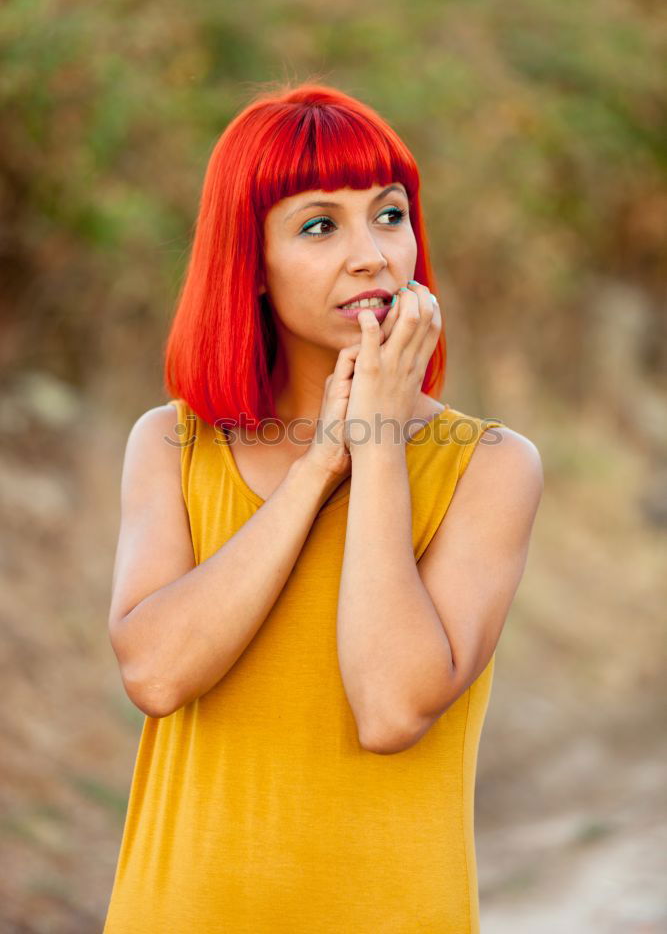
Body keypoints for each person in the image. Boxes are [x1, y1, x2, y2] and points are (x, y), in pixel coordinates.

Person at [103, 80, 543, 933]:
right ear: (251, 266)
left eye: (388, 214)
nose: (374, 255)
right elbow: (155, 675)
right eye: (318, 225)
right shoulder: (169, 444)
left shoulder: (490, 467)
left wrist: (378, 441)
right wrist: (318, 468)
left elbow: (390, 707)